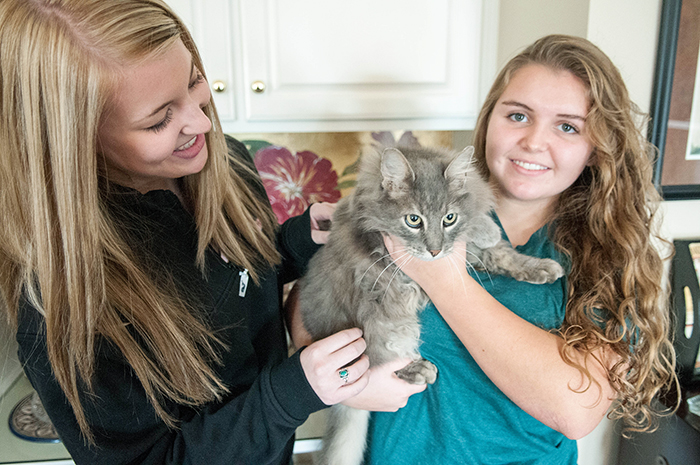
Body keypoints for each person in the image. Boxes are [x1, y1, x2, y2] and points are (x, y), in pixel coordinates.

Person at [0, 1, 372, 464]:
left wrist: (298, 240)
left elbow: (238, 280)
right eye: (159, 119)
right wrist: (291, 393)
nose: (201, 123)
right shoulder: (64, 305)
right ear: (77, 139)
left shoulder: (224, 163)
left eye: (195, 82)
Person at [362, 35, 680, 464]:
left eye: (567, 126)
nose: (533, 141)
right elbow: (316, 324)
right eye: (517, 115)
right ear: (489, 119)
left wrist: (444, 279)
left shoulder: (606, 251)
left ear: (595, 148)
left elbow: (576, 409)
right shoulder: (415, 206)